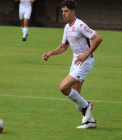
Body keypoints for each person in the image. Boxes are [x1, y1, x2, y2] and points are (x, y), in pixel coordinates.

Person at [42, 0, 103, 129]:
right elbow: (64, 46)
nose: (63, 14)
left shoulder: (80, 25)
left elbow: (98, 38)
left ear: (73, 12)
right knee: (76, 97)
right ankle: (90, 122)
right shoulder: (67, 27)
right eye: (62, 11)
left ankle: (87, 105)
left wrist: (86, 54)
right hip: (75, 61)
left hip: (85, 62)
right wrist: (50, 53)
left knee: (63, 87)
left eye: (66, 11)